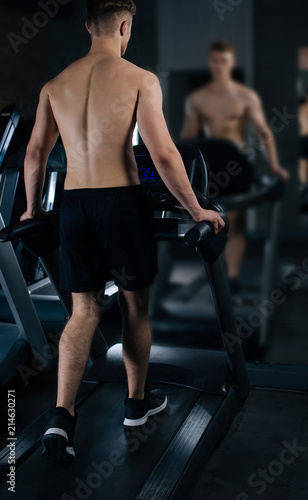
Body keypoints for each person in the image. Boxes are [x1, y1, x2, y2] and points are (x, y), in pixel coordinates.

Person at [20, 0, 225, 463]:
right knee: (135, 305)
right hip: (121, 202)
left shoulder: (56, 84)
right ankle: (136, 405)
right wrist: (196, 210)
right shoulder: (139, 79)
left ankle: (61, 418)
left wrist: (33, 211)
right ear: (126, 26)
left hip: (73, 203)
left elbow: (35, 154)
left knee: (82, 311)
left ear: (89, 26)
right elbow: (167, 155)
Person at [181, 39, 289, 294]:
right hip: (211, 164)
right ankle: (218, 274)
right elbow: (188, 138)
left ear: (232, 63)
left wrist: (275, 166)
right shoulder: (198, 98)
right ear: (211, 63)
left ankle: (233, 276)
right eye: (215, 61)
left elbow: (264, 133)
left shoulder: (245, 97)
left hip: (236, 167)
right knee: (213, 221)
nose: (219, 66)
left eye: (224, 61)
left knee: (235, 223)